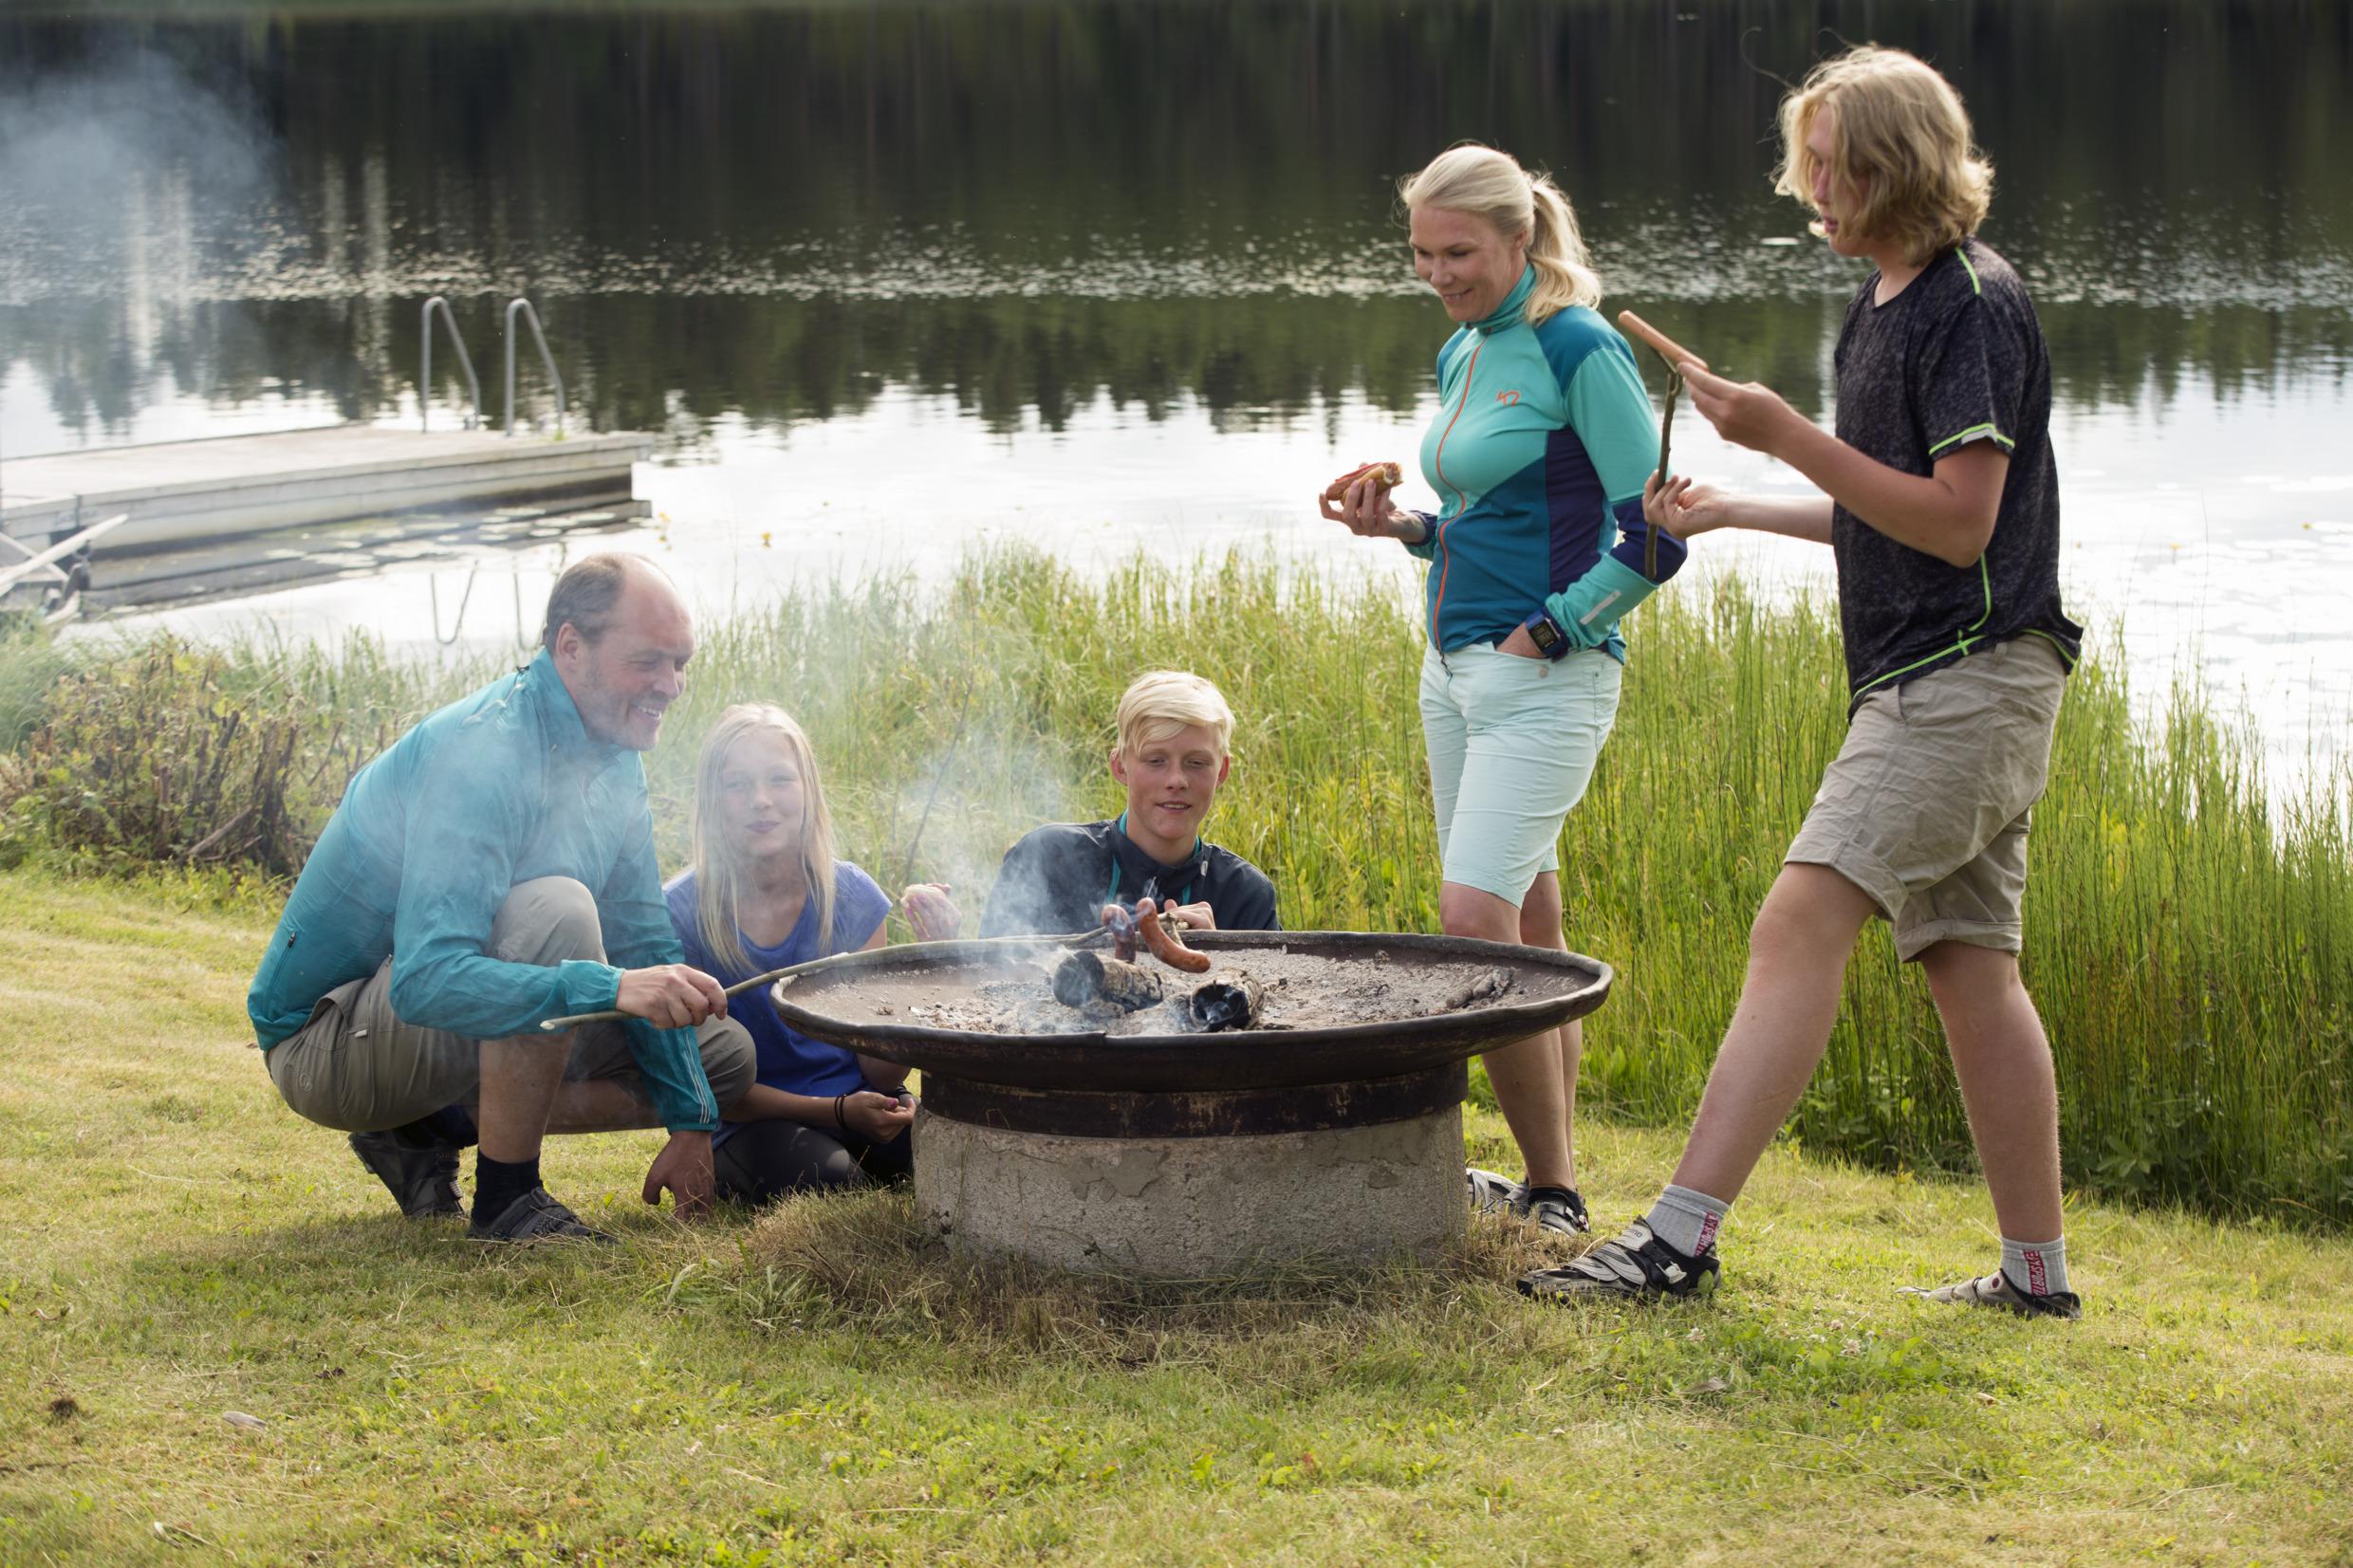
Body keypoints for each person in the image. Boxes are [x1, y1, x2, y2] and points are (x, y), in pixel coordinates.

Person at [1523, 46, 2085, 1317]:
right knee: (1970, 967)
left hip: (1963, 675)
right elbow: (1884, 511)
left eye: (1825, 168)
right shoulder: (1881, 304)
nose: (1806, 190)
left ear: (1890, 167)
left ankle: (1675, 1241)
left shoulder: (1969, 306)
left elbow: (1958, 527)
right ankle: (2037, 1277)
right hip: (1945, 678)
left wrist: (1788, 434)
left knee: (1798, 920)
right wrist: (1737, 503)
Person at [1320, 143, 1689, 1237]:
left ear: (1518, 239)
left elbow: (1652, 538)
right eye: (1422, 254)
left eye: (1459, 252)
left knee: (1470, 918)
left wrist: (1551, 630)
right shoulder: (1463, 352)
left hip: (1543, 676)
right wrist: (1404, 529)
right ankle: (1546, 1182)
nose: (1438, 272)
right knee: (1522, 917)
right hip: (1450, 671)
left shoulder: (1576, 344)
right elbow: (1487, 524)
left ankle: (1557, 1198)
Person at [248, 554, 757, 1243]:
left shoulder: (615, 759)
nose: (671, 685)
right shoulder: (483, 752)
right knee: (558, 912)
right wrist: (606, 986)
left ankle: (431, 1128)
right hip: (329, 1041)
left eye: (680, 662)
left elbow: (643, 940)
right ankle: (508, 1199)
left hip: (432, 1028)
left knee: (722, 1056)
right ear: (570, 646)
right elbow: (426, 982)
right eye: (649, 662)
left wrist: (691, 1123)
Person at [664, 703, 960, 1202]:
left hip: (863, 1099)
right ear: (712, 801)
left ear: (808, 791)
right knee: (834, 1183)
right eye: (737, 785)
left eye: (780, 779)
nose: (761, 800)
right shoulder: (681, 912)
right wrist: (838, 1112)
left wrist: (935, 962)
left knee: (955, 1166)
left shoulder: (852, 897)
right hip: (754, 1120)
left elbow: (883, 1074)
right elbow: (717, 1087)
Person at [977, 670, 1278, 939]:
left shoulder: (1244, 894)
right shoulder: (1047, 858)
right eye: (1155, 761)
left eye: (1196, 763)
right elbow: (985, 984)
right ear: (1120, 766)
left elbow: (1278, 998)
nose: (1176, 780)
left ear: (1222, 771)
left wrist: (1221, 955)